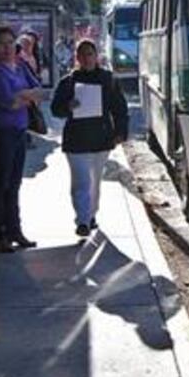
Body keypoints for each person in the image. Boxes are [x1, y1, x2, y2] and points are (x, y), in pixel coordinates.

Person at [51, 39, 129, 237]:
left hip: (101, 139)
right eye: (82, 55)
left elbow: (119, 108)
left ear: (96, 57)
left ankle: (91, 214)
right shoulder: (67, 82)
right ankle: (83, 220)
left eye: (89, 54)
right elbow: (55, 110)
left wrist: (120, 132)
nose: (86, 58)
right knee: (81, 181)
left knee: (94, 182)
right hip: (76, 140)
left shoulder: (108, 80)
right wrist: (68, 106)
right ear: (76, 58)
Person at [0, 26, 43, 252]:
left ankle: (14, 230)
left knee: (15, 184)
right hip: (1, 134)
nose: (8, 48)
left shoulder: (20, 67)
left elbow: (39, 91)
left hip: (20, 132)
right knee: (0, 184)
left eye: (11, 42)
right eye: (2, 43)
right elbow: (7, 102)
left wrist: (24, 97)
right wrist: (24, 98)